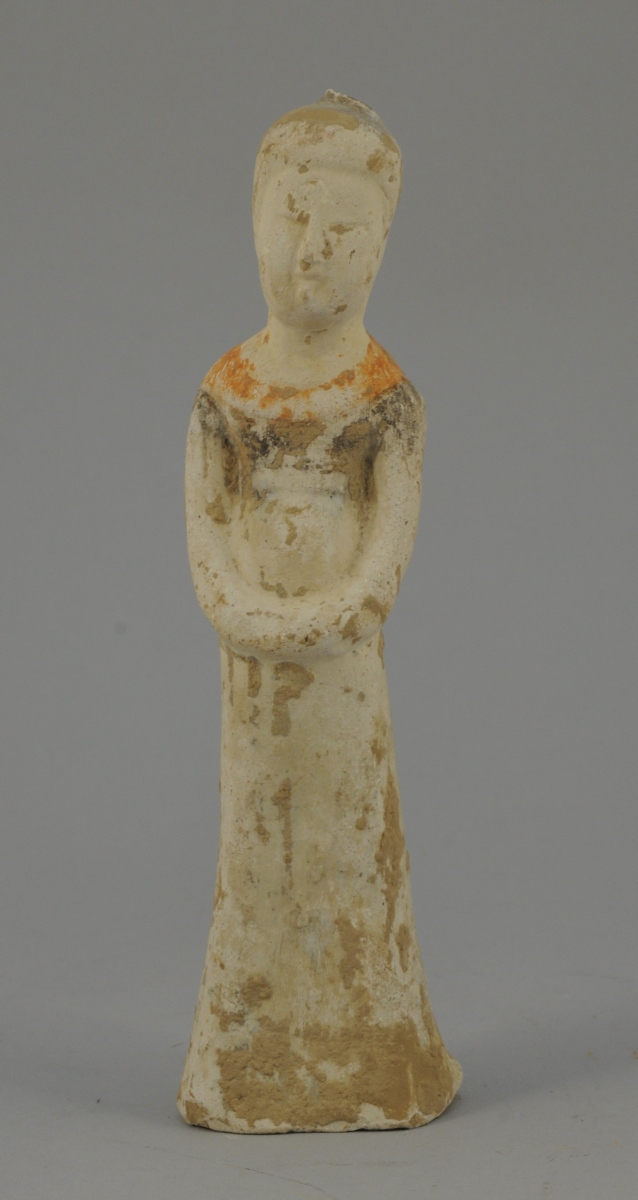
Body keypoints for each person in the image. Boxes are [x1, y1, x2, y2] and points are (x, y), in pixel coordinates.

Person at [178, 91, 461, 1133]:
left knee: (350, 852)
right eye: (291, 219)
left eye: (342, 232)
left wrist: (318, 623)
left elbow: (382, 570)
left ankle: (380, 1059)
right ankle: (243, 1062)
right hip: (256, 686)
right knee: (258, 860)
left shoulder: (386, 401)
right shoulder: (226, 392)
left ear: (379, 248)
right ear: (251, 220)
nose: (311, 255)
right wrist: (246, 621)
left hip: (340, 681)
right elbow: (208, 547)